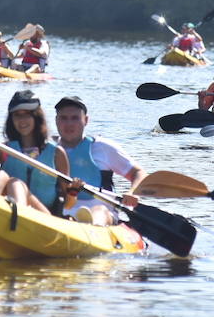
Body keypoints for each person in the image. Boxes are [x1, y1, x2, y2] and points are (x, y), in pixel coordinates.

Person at [0, 90, 70, 216]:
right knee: (2, 175)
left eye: (27, 114)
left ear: (36, 117)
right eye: (17, 115)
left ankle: (18, 218)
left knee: (16, 184)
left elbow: (68, 202)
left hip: (43, 217)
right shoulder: (3, 150)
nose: (22, 120)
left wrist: (74, 191)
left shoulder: (56, 153)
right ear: (11, 119)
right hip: (8, 214)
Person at [53, 95, 145, 225]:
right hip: (60, 212)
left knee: (99, 211)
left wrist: (133, 192)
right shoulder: (48, 148)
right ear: (56, 120)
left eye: (75, 118)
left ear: (86, 120)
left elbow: (138, 172)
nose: (69, 124)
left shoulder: (102, 147)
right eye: (64, 118)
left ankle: (91, 230)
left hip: (101, 212)